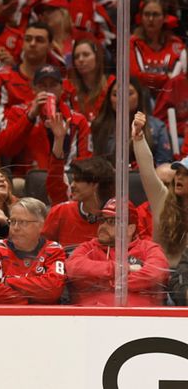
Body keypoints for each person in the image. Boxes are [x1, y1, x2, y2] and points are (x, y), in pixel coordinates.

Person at [67, 199, 170, 306]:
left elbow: (156, 274)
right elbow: (74, 269)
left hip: (141, 318)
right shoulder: (88, 248)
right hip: (91, 317)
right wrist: (121, 268)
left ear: (130, 229)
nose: (103, 226)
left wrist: (110, 283)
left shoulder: (149, 248)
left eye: (111, 221)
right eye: (102, 220)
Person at [0, 65, 92, 176]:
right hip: (27, 179)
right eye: (42, 86)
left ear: (62, 89)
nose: (47, 90)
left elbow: (84, 161)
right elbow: (5, 149)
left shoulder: (77, 120)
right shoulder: (17, 112)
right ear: (34, 89)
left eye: (53, 85)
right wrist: (30, 116)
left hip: (65, 178)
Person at [0, 197, 67, 305]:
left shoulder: (54, 250)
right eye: (13, 221)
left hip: (45, 319)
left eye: (22, 222)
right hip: (3, 317)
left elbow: (53, 290)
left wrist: (8, 281)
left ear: (41, 225)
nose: (15, 228)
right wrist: (27, 302)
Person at [132, 111, 188, 268]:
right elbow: (147, 170)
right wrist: (139, 138)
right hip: (161, 277)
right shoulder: (162, 199)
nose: (179, 178)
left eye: (186, 175)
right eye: (178, 174)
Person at [0, 23, 55, 130]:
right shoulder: (0, 79)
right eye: (28, 39)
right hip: (11, 141)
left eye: (39, 40)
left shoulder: (56, 82)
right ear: (22, 43)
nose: (32, 44)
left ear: (50, 46)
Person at [42, 154, 116, 253]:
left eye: (77, 180)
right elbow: (41, 251)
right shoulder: (61, 211)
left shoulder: (118, 216)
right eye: (73, 180)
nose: (72, 185)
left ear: (95, 184)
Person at [92, 78, 172, 166]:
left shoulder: (158, 127)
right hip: (108, 177)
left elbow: (164, 165)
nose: (122, 98)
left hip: (146, 177)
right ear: (109, 99)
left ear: (139, 96)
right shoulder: (98, 125)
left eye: (129, 93)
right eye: (116, 94)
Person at [130, 0, 186, 95]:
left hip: (169, 98)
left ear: (165, 18)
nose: (151, 19)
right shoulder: (133, 43)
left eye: (155, 14)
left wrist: (147, 77)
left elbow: (180, 80)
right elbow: (135, 76)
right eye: (147, 14)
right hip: (141, 98)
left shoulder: (176, 44)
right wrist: (166, 78)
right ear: (141, 17)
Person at [64, 38, 115, 122]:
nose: (80, 60)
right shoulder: (68, 86)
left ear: (97, 57)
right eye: (76, 57)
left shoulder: (111, 83)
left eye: (86, 55)